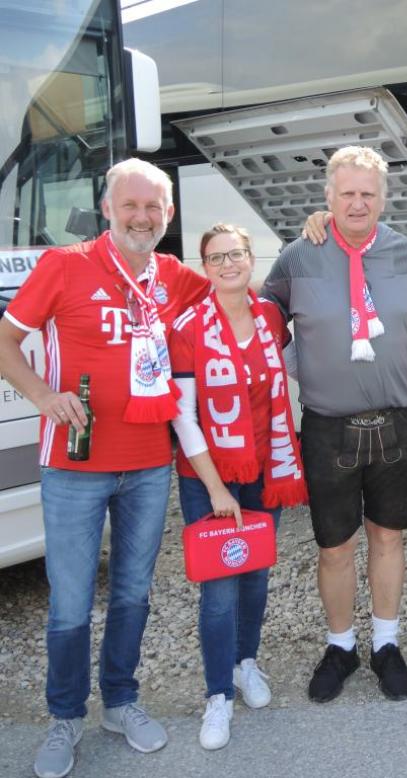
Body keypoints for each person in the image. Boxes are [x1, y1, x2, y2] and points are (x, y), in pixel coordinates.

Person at [0, 158, 210, 778]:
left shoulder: (172, 274)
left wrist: (306, 231)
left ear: (167, 215)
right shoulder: (64, 266)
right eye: (131, 205)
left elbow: (236, 286)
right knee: (69, 603)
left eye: (154, 208)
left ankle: (120, 701)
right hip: (73, 464)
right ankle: (65, 717)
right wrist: (41, 395)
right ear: (107, 210)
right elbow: (5, 341)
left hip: (148, 464)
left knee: (133, 595)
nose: (142, 217)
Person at [262, 146, 407, 703]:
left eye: (368, 193)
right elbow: (260, 320)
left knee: (388, 537)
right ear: (328, 197)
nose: (358, 203)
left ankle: (385, 643)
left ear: (384, 198)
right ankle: (340, 647)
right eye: (347, 193)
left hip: (399, 423)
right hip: (329, 428)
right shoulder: (297, 258)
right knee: (334, 546)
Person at [169, 224, 306, 749]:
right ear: (204, 266)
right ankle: (217, 695)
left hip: (264, 468)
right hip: (209, 479)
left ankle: (247, 662)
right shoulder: (187, 327)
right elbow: (183, 417)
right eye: (216, 257)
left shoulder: (270, 316)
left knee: (255, 577)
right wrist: (217, 489)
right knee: (220, 588)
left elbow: (293, 367)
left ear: (252, 259)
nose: (228, 264)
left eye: (236, 254)